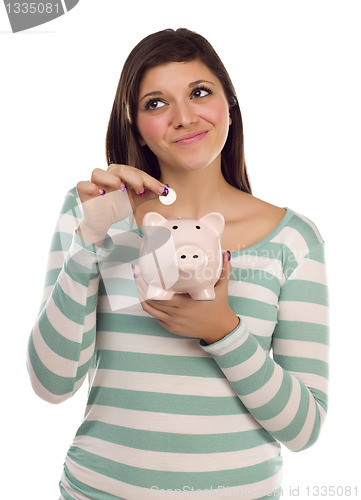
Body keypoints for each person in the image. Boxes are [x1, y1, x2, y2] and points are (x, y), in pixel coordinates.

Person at [27, 28, 329, 500]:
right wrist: (90, 239)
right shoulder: (95, 213)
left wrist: (224, 331)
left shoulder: (293, 238)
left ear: (229, 103)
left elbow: (304, 429)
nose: (184, 117)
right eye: (156, 103)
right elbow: (52, 383)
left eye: (200, 93)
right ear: (134, 122)